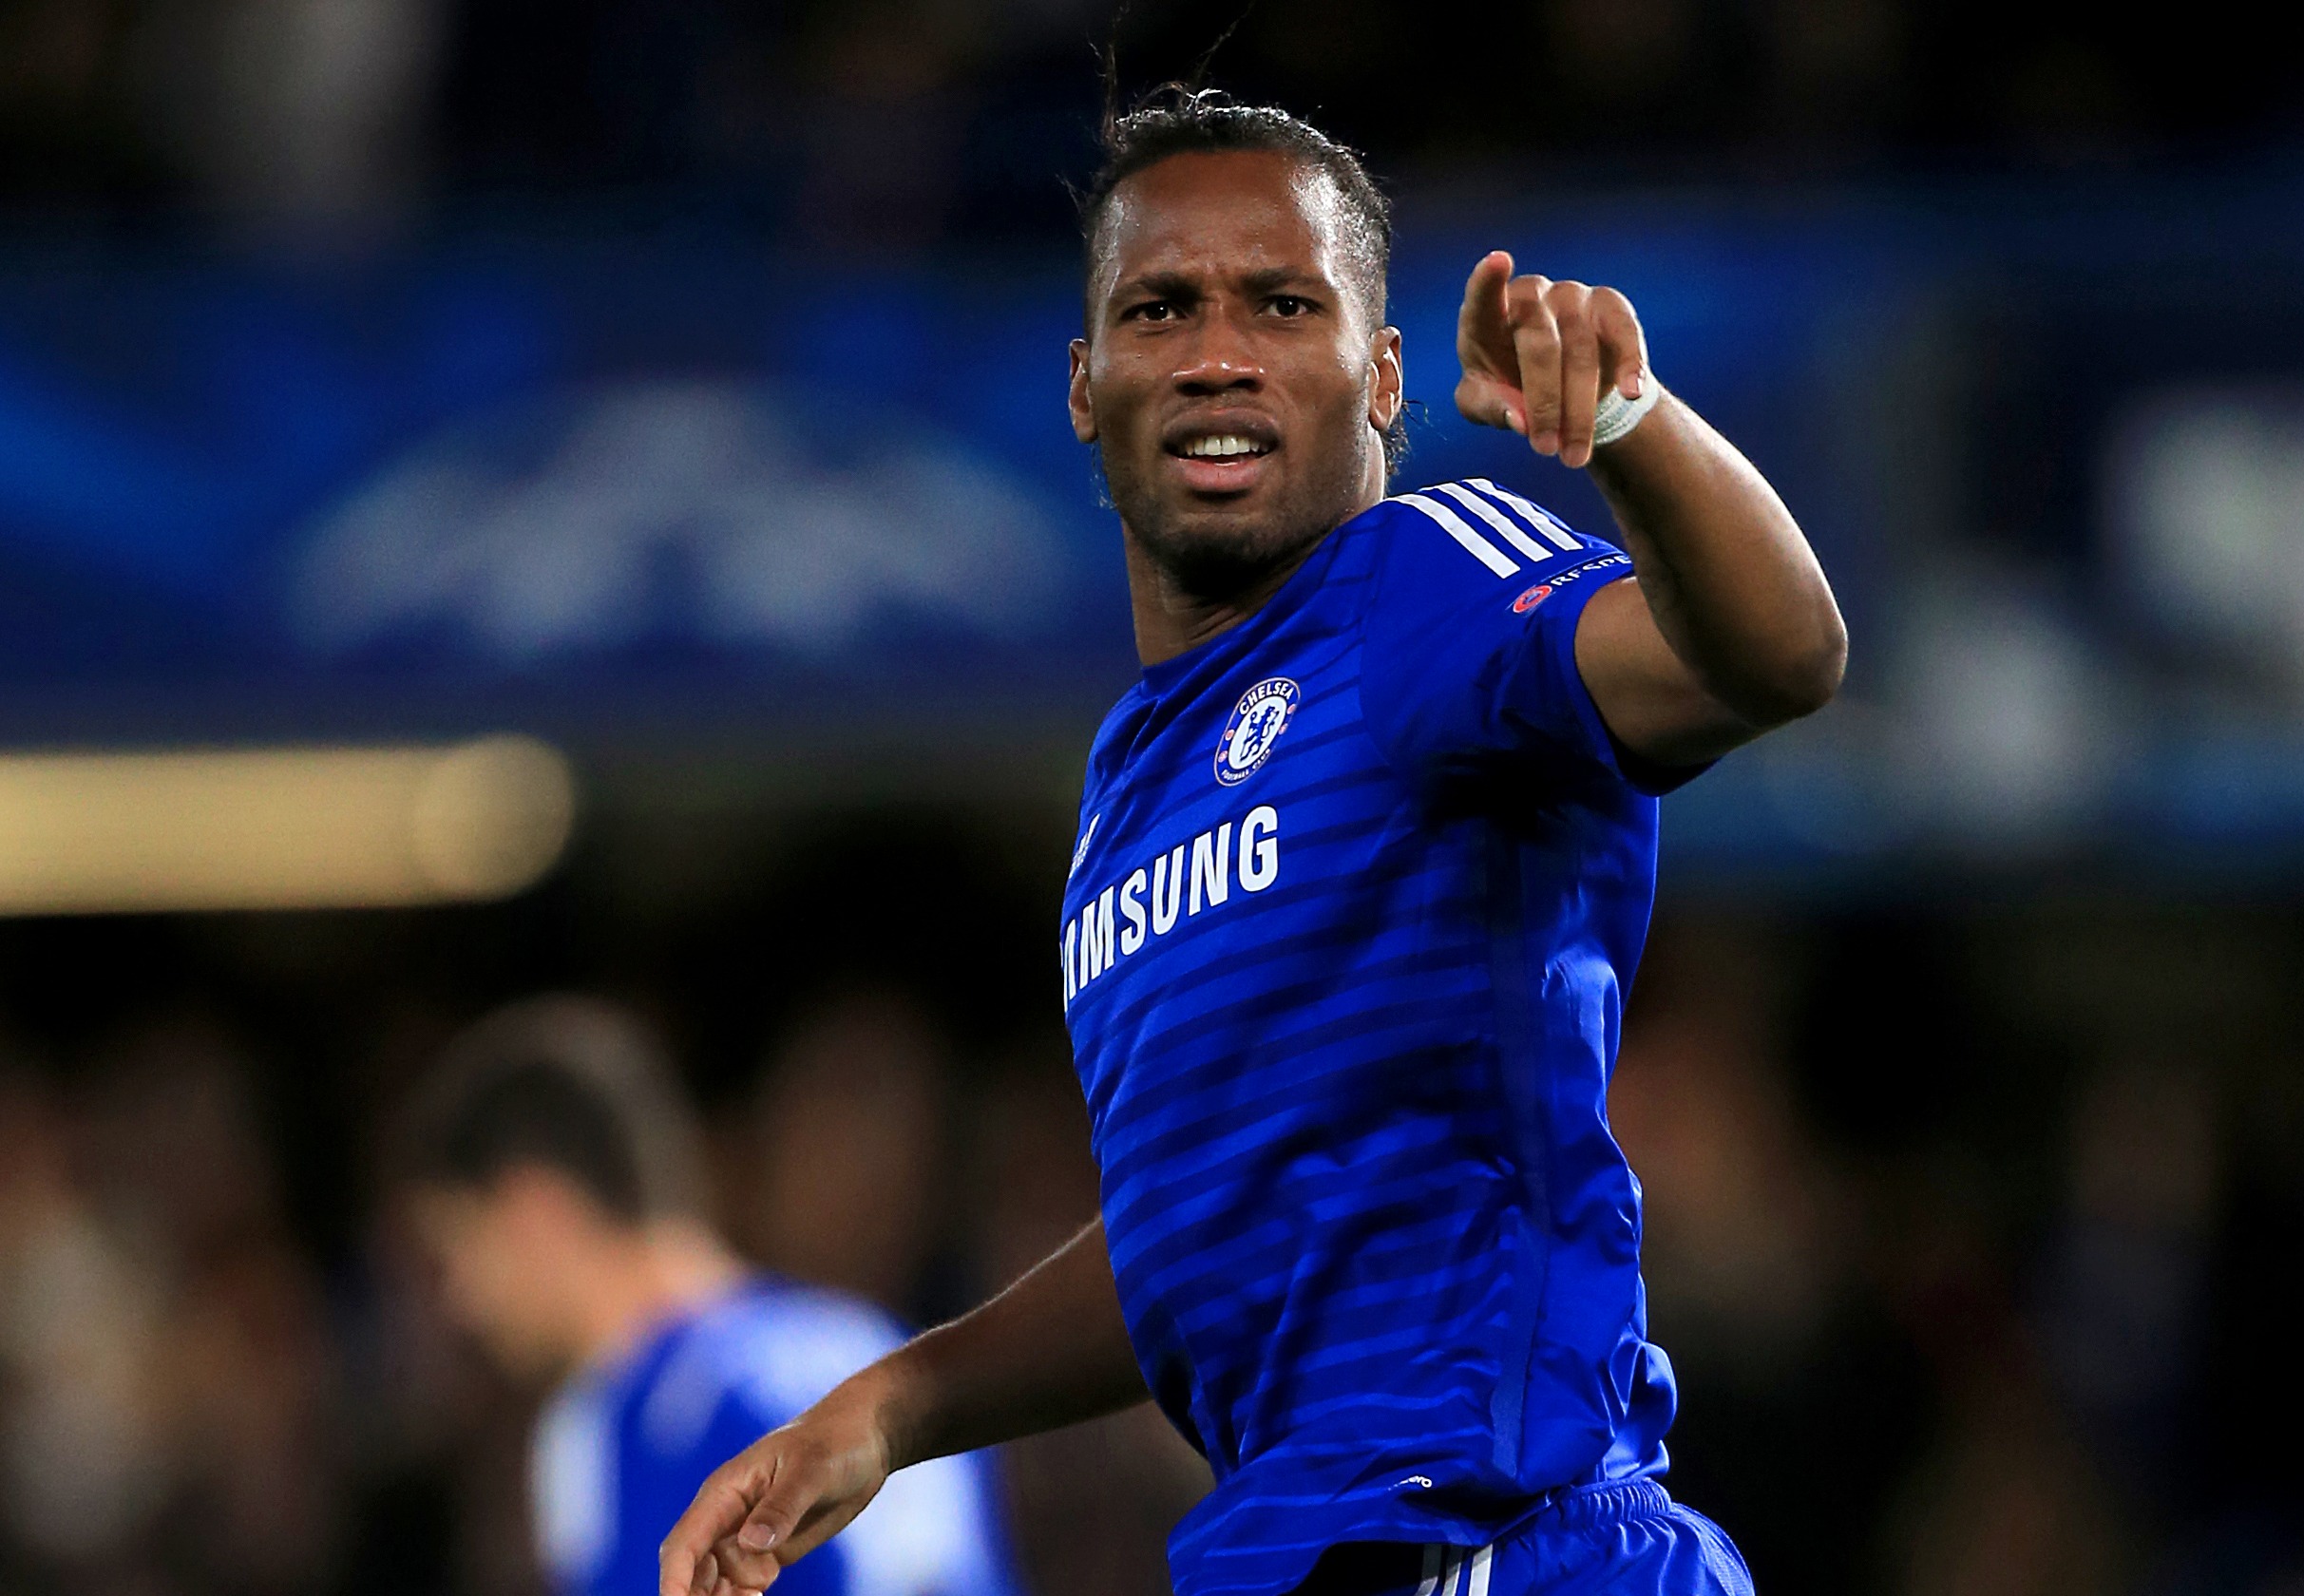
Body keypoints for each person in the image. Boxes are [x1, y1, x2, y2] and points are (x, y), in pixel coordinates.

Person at [660, 85, 1844, 1596]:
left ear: (1381, 374)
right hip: (1298, 1549)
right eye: (1160, 309)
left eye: (1281, 305)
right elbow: (1200, 1231)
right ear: (1085, 384)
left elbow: (1779, 657)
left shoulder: (1419, 587)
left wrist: (1625, 424)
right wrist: (886, 1412)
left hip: (1500, 1541)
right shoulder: (1127, 783)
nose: (1216, 354)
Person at [400, 997, 1019, 1596]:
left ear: (534, 1210)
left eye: (460, 1249)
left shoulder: (629, 1416)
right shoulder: (867, 1347)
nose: (459, 1301)